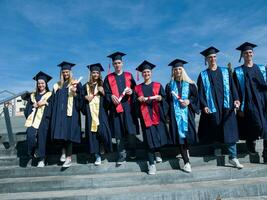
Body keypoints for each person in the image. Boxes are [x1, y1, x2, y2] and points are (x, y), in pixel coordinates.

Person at [197, 46, 243, 169]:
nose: (212, 59)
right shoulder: (203, 75)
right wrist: (204, 105)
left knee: (230, 129)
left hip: (226, 105)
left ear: (216, 58)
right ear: (206, 59)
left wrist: (236, 99)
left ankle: (233, 157)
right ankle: (217, 148)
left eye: (214, 57)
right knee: (215, 126)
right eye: (210, 57)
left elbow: (233, 87)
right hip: (212, 106)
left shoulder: (225, 71)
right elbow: (200, 92)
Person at [233, 42, 267, 163]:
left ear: (253, 54)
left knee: (266, 128)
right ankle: (250, 143)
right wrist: (237, 102)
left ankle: (266, 154)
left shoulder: (262, 68)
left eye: (250, 52)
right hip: (249, 102)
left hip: (263, 101)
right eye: (246, 53)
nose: (248, 54)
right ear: (242, 55)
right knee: (256, 124)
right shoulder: (238, 71)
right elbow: (235, 88)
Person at [103, 52, 139, 165]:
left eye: (119, 63)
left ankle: (133, 151)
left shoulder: (129, 75)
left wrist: (132, 91)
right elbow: (106, 93)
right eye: (115, 63)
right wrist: (110, 96)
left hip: (128, 108)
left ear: (122, 63)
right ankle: (122, 155)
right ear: (113, 65)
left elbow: (135, 90)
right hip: (116, 108)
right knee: (118, 134)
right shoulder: (108, 78)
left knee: (131, 132)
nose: (117, 65)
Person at [134, 60, 170, 175]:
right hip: (146, 117)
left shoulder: (158, 85)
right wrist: (138, 101)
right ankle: (152, 164)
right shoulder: (137, 88)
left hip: (157, 115)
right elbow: (134, 104)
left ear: (151, 73)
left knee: (159, 136)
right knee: (149, 141)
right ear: (141, 74)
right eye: (144, 72)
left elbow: (165, 100)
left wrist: (161, 99)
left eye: (148, 72)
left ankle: (157, 152)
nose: (146, 74)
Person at [165, 59, 199, 173]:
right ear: (173, 71)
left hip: (187, 114)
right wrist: (167, 116)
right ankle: (186, 162)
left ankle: (186, 151)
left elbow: (196, 98)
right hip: (175, 116)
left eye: (180, 69)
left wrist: (189, 101)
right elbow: (167, 101)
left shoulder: (190, 84)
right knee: (180, 138)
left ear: (183, 70)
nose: (178, 71)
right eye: (175, 69)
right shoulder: (169, 86)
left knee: (186, 136)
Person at [51, 61, 82, 168]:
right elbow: (53, 100)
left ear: (70, 72)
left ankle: (69, 157)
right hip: (60, 113)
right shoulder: (57, 85)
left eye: (67, 71)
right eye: (63, 72)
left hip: (71, 113)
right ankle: (63, 152)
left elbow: (80, 99)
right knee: (60, 133)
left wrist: (75, 92)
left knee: (69, 134)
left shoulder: (75, 83)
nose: (65, 74)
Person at [81, 63, 113, 165]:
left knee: (103, 130)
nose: (95, 74)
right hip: (90, 113)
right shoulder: (85, 86)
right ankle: (97, 155)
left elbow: (109, 98)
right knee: (93, 134)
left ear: (99, 74)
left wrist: (103, 93)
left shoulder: (103, 84)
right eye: (93, 72)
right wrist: (85, 98)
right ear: (90, 74)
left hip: (101, 111)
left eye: (97, 72)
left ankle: (103, 145)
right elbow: (80, 99)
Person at [24, 71, 52, 167]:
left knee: (42, 136)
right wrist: (32, 111)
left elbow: (52, 108)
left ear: (46, 84)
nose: (41, 85)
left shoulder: (50, 95)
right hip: (33, 120)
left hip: (44, 120)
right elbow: (27, 110)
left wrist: (45, 103)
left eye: (42, 83)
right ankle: (33, 150)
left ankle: (42, 159)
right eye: (39, 83)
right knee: (30, 135)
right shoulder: (33, 96)